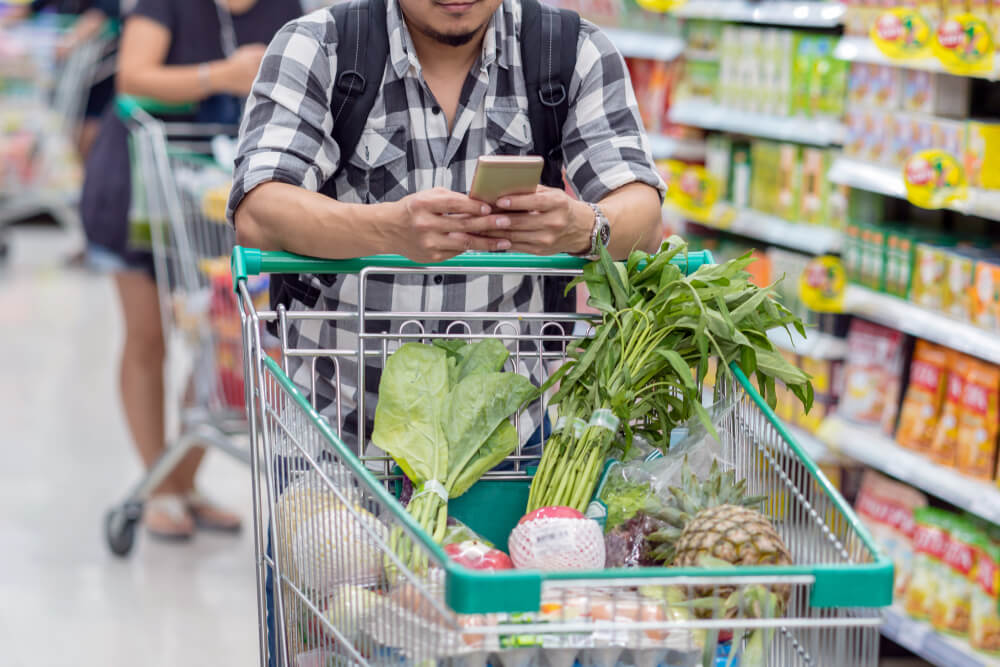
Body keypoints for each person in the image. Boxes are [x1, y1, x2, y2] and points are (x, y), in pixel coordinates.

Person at [80, 0, 301, 541]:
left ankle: (180, 480)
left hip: (216, 198)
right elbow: (133, 79)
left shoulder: (283, 8)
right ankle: (160, 487)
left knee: (217, 342)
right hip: (138, 188)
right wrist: (223, 76)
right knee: (148, 336)